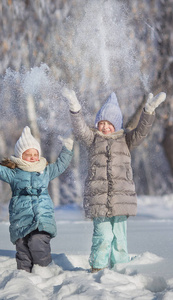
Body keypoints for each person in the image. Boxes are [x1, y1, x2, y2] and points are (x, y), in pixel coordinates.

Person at [62, 88, 166, 273]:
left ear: (117, 125)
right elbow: (80, 130)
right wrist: (74, 108)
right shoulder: (93, 139)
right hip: (99, 200)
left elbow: (141, 132)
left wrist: (148, 111)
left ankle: (120, 268)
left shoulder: (126, 140)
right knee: (102, 235)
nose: (105, 127)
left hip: (121, 200)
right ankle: (98, 268)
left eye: (109, 123)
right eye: (101, 122)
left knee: (119, 237)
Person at [0, 126, 73, 273]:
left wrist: (67, 147)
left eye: (35, 153)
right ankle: (25, 282)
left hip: (42, 219)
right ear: (20, 156)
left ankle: (45, 273)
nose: (32, 157)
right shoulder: (14, 173)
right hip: (21, 220)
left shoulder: (45, 170)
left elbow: (61, 164)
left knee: (38, 243)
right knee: (23, 252)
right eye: (28, 154)